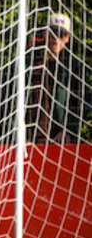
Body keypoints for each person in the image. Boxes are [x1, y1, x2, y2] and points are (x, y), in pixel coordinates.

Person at [25, 13, 84, 143]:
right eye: (53, 33)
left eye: (61, 35)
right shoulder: (27, 62)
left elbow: (80, 104)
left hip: (60, 141)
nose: (56, 39)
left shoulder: (73, 67)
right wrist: (19, 134)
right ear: (46, 33)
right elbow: (10, 101)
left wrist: (68, 131)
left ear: (67, 38)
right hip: (28, 141)